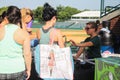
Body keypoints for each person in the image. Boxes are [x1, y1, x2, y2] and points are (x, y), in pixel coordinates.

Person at [0, 6, 32, 80]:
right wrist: (29, 69)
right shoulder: (24, 34)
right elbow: (27, 54)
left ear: (6, 17)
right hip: (18, 69)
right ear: (19, 19)